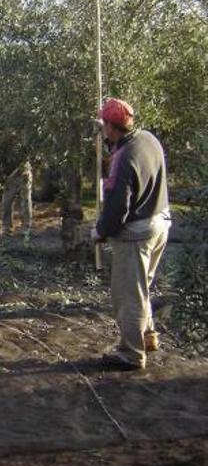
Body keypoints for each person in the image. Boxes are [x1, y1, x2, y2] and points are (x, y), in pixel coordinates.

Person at [91, 98, 171, 371]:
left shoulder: (123, 158)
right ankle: (148, 337)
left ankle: (131, 352)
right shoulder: (148, 140)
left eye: (103, 125)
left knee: (128, 295)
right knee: (141, 288)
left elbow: (117, 207)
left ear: (111, 126)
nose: (102, 130)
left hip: (136, 233)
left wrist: (99, 231)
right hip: (159, 222)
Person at [0, 130, 33, 240]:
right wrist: (0, 178)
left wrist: (23, 168)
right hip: (9, 178)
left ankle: (25, 229)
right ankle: (7, 228)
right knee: (6, 202)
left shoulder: (21, 144)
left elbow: (27, 156)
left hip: (23, 175)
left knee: (25, 202)